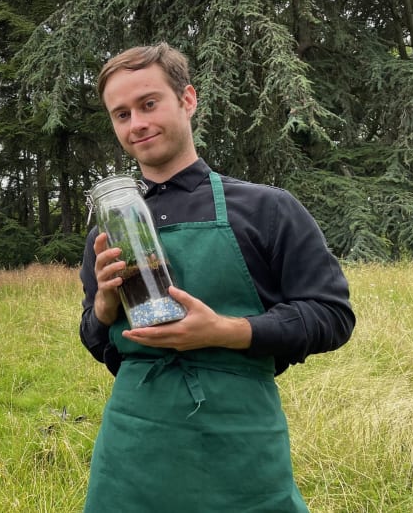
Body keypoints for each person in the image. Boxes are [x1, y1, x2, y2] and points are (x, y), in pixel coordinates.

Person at [79, 43, 355, 512]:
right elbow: (99, 343)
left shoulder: (267, 209)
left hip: (240, 441)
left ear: (187, 99)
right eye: (121, 114)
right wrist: (104, 309)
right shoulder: (108, 232)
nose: (136, 123)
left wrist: (225, 332)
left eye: (149, 104)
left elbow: (331, 316)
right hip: (133, 445)